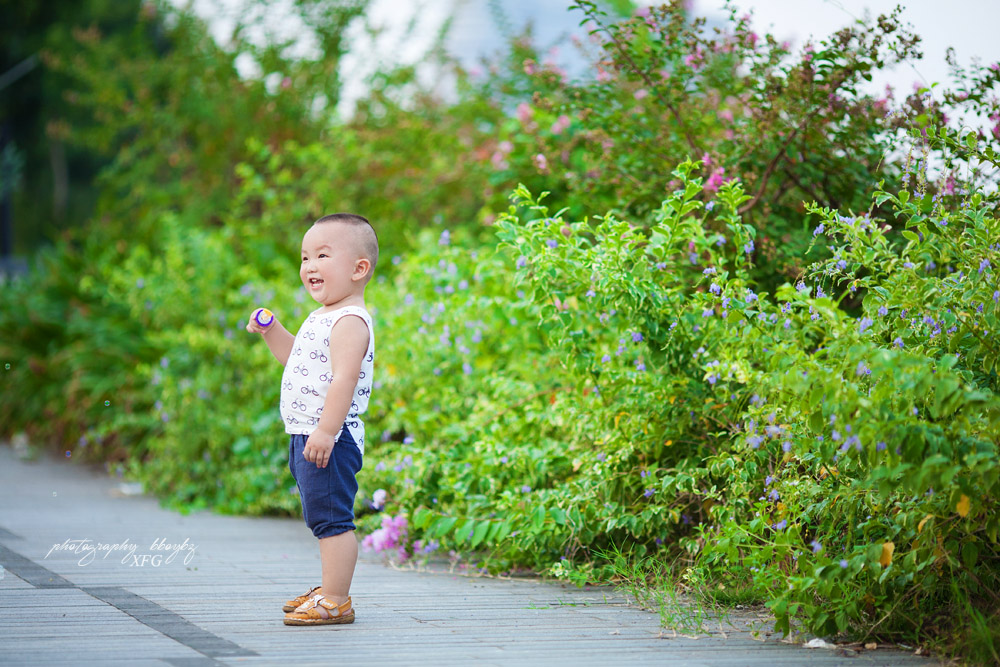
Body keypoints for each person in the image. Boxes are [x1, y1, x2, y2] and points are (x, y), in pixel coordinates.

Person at [245, 213, 378, 626]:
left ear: (359, 269)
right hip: (309, 433)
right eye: (305, 257)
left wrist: (325, 430)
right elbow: (296, 363)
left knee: (332, 518)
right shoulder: (322, 316)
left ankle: (337, 599)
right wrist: (272, 331)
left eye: (322, 255)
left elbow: (344, 379)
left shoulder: (349, 320)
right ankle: (329, 587)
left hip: (329, 437)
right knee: (318, 512)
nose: (310, 266)